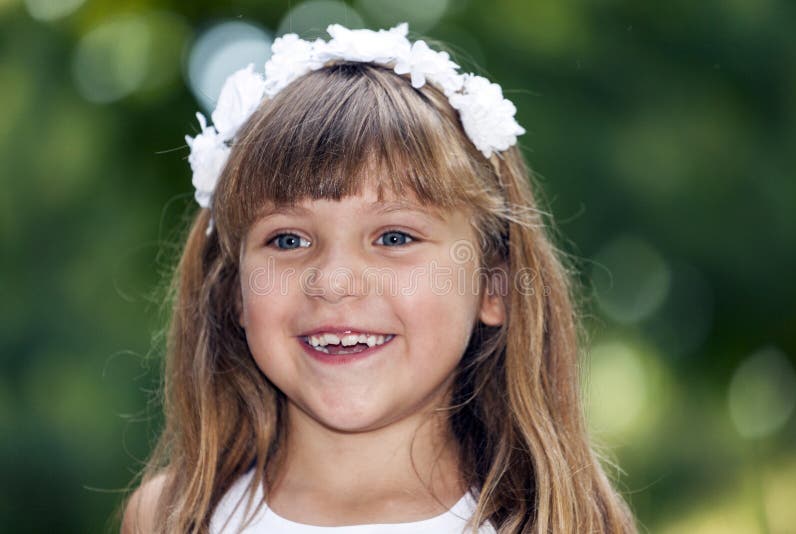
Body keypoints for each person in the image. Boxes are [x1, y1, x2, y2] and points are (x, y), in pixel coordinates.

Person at [121, 22, 637, 533]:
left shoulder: (560, 522)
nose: (335, 281)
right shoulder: (170, 517)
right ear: (234, 289)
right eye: (288, 240)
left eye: (394, 237)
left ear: (494, 284)